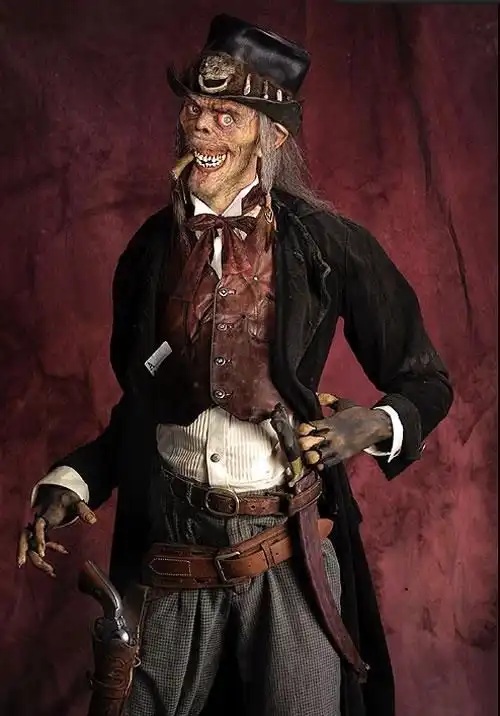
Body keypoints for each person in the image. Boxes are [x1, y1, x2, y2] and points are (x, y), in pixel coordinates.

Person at [17, 14, 453, 716]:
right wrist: (77, 480)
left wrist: (374, 426)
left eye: (226, 116)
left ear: (271, 136)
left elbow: (425, 380)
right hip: (175, 545)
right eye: (194, 108)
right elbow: (144, 403)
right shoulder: (149, 253)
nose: (200, 128)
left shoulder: (328, 245)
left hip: (286, 550)